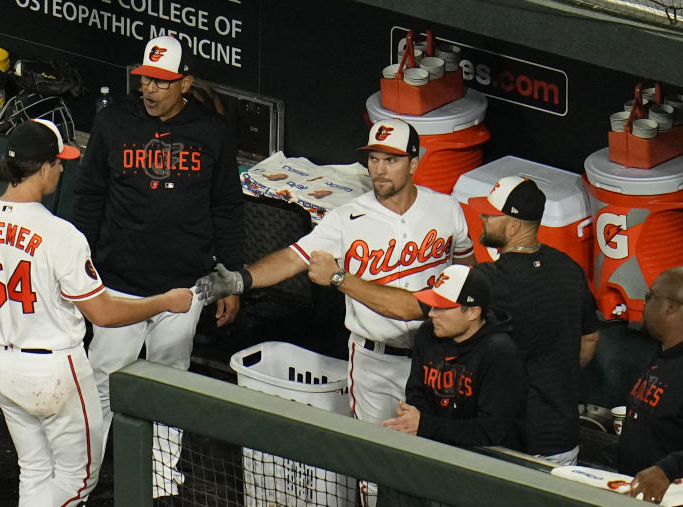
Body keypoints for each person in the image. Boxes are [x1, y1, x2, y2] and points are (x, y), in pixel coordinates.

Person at [0, 119, 193, 507]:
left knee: (36, 473)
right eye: (59, 164)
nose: (60, 173)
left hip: (0, 367)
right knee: (75, 483)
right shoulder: (61, 235)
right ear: (45, 167)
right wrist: (165, 302)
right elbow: (105, 313)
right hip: (54, 372)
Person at [69, 35, 244, 507]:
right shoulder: (114, 121)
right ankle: (77, 489)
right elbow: (90, 195)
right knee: (102, 385)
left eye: (162, 82)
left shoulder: (212, 131)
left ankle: (162, 484)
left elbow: (227, 205)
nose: (150, 88)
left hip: (184, 287)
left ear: (185, 82)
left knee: (169, 384)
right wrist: (78, 267)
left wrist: (229, 277)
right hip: (119, 283)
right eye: (146, 78)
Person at [198, 118, 475, 427]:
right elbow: (293, 259)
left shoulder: (447, 210)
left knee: (436, 454)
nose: (380, 169)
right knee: (375, 457)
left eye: (392, 160)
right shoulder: (346, 218)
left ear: (413, 164)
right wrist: (242, 279)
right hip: (376, 361)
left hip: (438, 357)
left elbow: (467, 273)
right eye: (374, 159)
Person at [306, 175, 600, 464]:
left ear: (513, 226)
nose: (482, 217)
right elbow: (589, 340)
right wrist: (552, 379)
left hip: (513, 448)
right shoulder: (570, 270)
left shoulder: (488, 281)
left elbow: (408, 307)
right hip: (562, 442)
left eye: (490, 214)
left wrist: (338, 278)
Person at [381, 264, 526, 448]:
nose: (431, 314)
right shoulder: (427, 334)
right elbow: (417, 394)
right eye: (432, 305)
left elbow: (490, 431)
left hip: (489, 459)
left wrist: (424, 425)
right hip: (437, 447)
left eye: (442, 308)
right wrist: (415, 420)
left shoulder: (499, 353)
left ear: (474, 312)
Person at [619, 267, 683, 504]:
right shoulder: (662, 353)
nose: (643, 303)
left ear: (672, 307)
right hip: (638, 496)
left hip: (674, 506)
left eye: (650, 297)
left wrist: (667, 470)